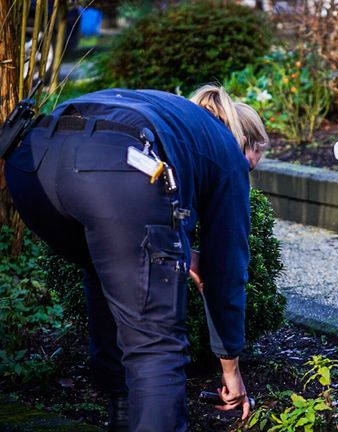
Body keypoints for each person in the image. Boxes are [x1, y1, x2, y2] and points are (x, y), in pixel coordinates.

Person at [3, 85, 269, 431]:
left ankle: (122, 414)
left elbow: (128, 240)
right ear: (246, 143)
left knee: (105, 272)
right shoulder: (226, 150)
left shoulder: (171, 114)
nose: (246, 175)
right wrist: (231, 367)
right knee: (155, 346)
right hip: (115, 167)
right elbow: (226, 269)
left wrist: (175, 253)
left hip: (31, 162)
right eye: (251, 165)